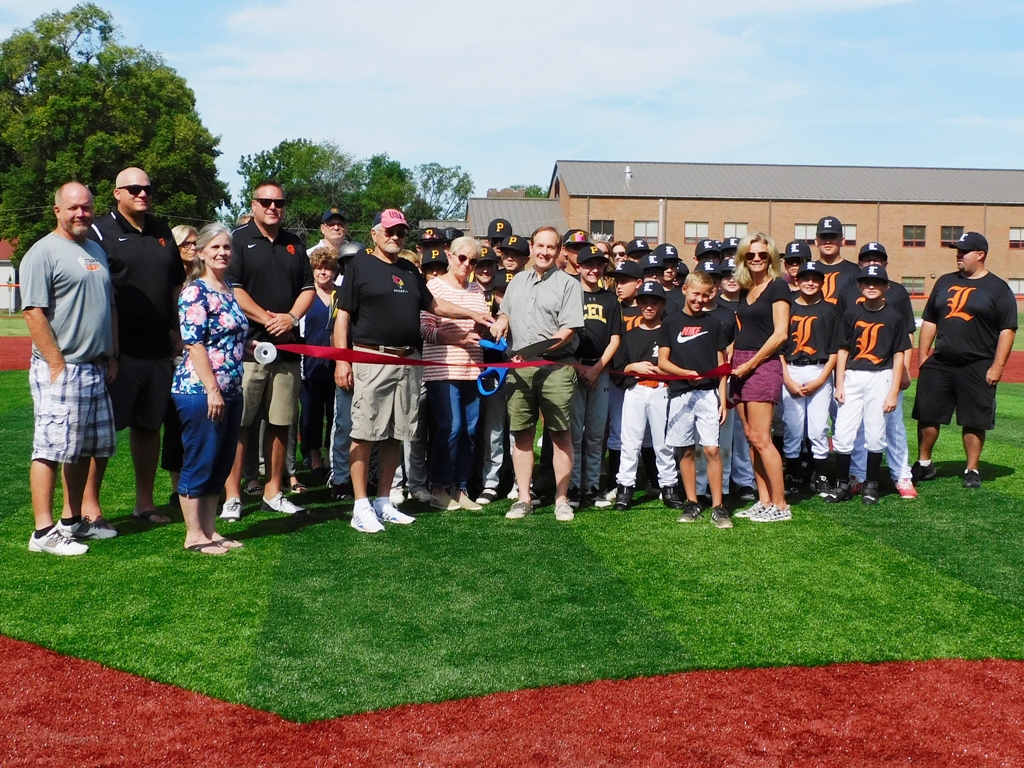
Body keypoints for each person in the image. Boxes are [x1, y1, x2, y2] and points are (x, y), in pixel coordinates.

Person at [335, 209, 493, 533]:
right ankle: (360, 506)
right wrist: (341, 360)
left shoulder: (409, 269)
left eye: (401, 232)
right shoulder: (360, 265)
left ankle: (383, 501)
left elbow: (434, 306)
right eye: (390, 231)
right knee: (365, 433)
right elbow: (343, 317)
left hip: (408, 360)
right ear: (375, 233)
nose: (395, 237)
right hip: (372, 358)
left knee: (396, 434)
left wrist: (470, 314)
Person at [22, 182, 118, 555]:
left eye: (86, 207)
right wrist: (57, 364)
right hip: (62, 368)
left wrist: (111, 354)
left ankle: (71, 521)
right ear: (57, 211)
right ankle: (43, 532)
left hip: (94, 367)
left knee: (84, 448)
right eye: (73, 207)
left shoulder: (95, 249)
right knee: (49, 447)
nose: (81, 213)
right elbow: (33, 312)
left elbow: (108, 305)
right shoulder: (42, 252)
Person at [89, 167, 186, 525]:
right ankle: (90, 507)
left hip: (159, 349)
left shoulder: (162, 231)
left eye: (147, 188)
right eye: (133, 189)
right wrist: (110, 350)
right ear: (117, 193)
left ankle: (144, 503)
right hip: (118, 352)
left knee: (148, 427)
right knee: (102, 432)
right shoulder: (99, 231)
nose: (142, 194)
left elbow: (175, 287)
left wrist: (178, 332)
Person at [222, 179, 314, 520]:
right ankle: (233, 495)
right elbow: (234, 290)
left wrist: (291, 319)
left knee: (281, 421)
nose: (273, 207)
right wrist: (269, 319)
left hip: (287, 349)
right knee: (240, 423)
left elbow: (307, 289)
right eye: (266, 201)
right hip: (249, 349)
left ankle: (273, 491)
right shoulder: (237, 240)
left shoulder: (295, 243)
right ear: (254, 204)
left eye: (279, 202)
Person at [489, 226, 585, 522]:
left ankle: (562, 499)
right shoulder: (517, 281)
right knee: (522, 434)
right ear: (531, 248)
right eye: (540, 246)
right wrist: (501, 322)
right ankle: (523, 498)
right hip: (520, 369)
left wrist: (535, 350)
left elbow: (569, 330)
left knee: (560, 434)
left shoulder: (569, 284)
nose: (544, 252)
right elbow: (506, 312)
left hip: (556, 367)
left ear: (558, 251)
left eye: (551, 247)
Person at [911, 231, 1018, 489]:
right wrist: (923, 355)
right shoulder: (945, 281)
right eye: (958, 251)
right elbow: (930, 319)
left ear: (980, 254)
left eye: (964, 251)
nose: (959, 255)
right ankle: (924, 463)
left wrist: (997, 366)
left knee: (973, 419)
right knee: (928, 414)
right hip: (941, 361)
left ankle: (972, 469)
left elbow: (1007, 329)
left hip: (977, 363)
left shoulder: (998, 288)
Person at [173, 223, 248, 553]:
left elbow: (226, 337)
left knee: (220, 462)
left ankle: (210, 530)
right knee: (201, 459)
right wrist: (212, 390)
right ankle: (194, 535)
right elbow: (194, 344)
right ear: (201, 253)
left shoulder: (228, 289)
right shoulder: (195, 292)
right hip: (200, 392)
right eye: (215, 247)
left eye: (226, 247)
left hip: (231, 389)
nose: (222, 253)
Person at [836, 242, 917, 499]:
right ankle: (853, 478)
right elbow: (843, 346)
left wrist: (900, 378)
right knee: (848, 430)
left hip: (884, 374)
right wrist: (839, 383)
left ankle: (893, 477)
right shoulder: (849, 300)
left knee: (884, 429)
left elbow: (903, 343)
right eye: (867, 259)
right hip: (854, 373)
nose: (872, 264)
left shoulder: (896, 302)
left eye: (877, 259)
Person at [421, 237, 489, 510]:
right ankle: (439, 488)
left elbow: (483, 324)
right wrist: (457, 339)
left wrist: (490, 328)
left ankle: (460, 488)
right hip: (442, 369)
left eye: (474, 261)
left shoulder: (477, 290)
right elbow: (424, 330)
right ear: (450, 256)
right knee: (451, 427)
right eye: (462, 258)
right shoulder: (433, 287)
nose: (467, 265)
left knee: (470, 430)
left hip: (473, 370)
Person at [659, 271, 730, 526]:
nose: (699, 299)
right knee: (686, 450)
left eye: (705, 295)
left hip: (708, 394)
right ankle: (692, 502)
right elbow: (663, 362)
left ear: (712, 294)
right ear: (685, 290)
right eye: (695, 294)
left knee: (711, 449)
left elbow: (722, 366)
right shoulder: (670, 322)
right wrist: (684, 374)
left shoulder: (714, 324)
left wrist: (723, 400)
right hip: (680, 394)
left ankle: (718, 506)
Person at [729, 233, 791, 522]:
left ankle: (781, 505)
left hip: (762, 364)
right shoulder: (746, 290)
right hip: (741, 363)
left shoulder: (778, 286)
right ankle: (764, 500)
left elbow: (780, 334)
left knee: (762, 438)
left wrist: (751, 364)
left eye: (762, 254)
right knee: (750, 437)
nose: (756, 259)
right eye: (750, 254)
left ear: (771, 258)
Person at [612, 282, 681, 511]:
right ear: (638, 304)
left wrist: (662, 370)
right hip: (636, 389)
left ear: (663, 304)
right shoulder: (630, 335)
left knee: (663, 442)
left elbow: (677, 365)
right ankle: (625, 488)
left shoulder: (669, 332)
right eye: (644, 302)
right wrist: (633, 366)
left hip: (662, 389)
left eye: (654, 302)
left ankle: (669, 487)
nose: (649, 307)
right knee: (630, 442)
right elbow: (619, 367)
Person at [569, 245, 622, 508]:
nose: (594, 269)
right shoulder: (570, 294)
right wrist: (579, 368)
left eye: (599, 264)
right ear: (578, 267)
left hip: (600, 371)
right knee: (574, 432)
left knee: (596, 433)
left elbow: (615, 338)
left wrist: (597, 368)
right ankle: (573, 485)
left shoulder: (610, 299)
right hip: (573, 368)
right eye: (589, 264)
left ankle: (591, 486)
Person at [780, 261, 838, 497]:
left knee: (818, 428)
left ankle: (821, 476)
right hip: (791, 369)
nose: (810, 283)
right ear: (797, 280)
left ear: (822, 282)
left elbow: (836, 350)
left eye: (815, 279)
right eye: (805, 278)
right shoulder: (788, 307)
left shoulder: (830, 310)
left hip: (819, 370)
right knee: (793, 428)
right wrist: (787, 379)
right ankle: (793, 476)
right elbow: (779, 348)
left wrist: (821, 380)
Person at [162, 224, 199, 510]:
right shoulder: (165, 280)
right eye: (185, 243)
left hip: (202, 359)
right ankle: (177, 488)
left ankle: (201, 483)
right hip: (173, 357)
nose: (192, 248)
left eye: (196, 243)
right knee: (175, 424)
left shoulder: (204, 278)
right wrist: (176, 340)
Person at [298, 245, 339, 478]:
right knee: (310, 412)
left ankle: (330, 455)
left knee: (335, 412)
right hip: (310, 365)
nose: (323, 272)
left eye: (327, 268)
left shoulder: (340, 295)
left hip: (337, 364)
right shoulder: (305, 295)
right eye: (318, 268)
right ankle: (313, 457)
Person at [812, 216, 859, 304]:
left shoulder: (855, 271)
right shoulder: (809, 270)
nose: (828, 242)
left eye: (833, 237)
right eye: (823, 237)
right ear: (816, 241)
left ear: (842, 241)